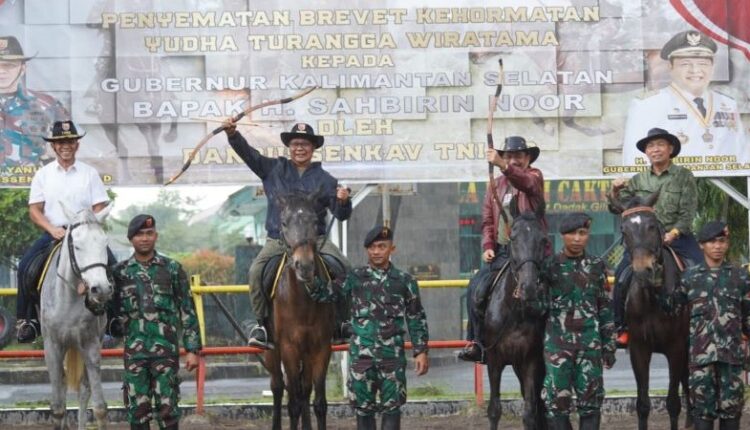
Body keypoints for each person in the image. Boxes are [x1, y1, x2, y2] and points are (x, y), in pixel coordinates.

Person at [223, 120, 352, 349]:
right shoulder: (272, 169)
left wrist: (343, 201)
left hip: (316, 241)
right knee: (255, 272)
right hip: (278, 240)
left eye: (305, 144)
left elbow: (341, 215)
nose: (299, 148)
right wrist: (233, 135)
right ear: (289, 147)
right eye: (295, 143)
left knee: (344, 267)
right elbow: (248, 154)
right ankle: (261, 325)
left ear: (313, 148)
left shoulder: (326, 180)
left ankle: (342, 322)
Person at [309, 225, 429, 430]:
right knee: (363, 411)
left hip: (392, 359)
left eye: (382, 246)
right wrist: (308, 272)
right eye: (372, 247)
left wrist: (421, 351)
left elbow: (416, 317)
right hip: (361, 361)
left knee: (392, 409)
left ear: (392, 249)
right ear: (366, 250)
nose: (376, 252)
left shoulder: (405, 282)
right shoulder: (354, 278)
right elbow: (324, 293)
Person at [15, 120, 110, 343]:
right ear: (54, 146)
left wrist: (91, 224)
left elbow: (99, 206)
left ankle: (114, 319)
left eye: (70, 141)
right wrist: (51, 228)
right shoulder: (43, 174)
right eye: (60, 142)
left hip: (84, 235)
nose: (65, 145)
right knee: (24, 267)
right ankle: (27, 321)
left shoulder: (90, 173)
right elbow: (35, 211)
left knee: (111, 265)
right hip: (55, 232)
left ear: (77, 144)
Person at [458, 136, 549, 363]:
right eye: (509, 156)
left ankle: (554, 341)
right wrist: (488, 246)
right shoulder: (494, 184)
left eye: (519, 156)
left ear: (528, 158)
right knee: (475, 289)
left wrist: (502, 165)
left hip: (531, 254)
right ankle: (477, 343)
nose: (514, 160)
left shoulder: (534, 177)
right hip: (503, 253)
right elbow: (488, 220)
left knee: (552, 291)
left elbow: (525, 183)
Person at [608, 127, 701, 346]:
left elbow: (688, 212)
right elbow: (617, 209)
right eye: (650, 146)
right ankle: (621, 327)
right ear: (646, 152)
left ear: (670, 149)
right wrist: (614, 192)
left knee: (700, 271)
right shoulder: (638, 180)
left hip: (677, 238)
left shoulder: (684, 176)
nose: (655, 149)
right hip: (643, 242)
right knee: (621, 277)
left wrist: (674, 233)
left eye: (660, 144)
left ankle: (701, 325)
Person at [112, 214, 202, 430]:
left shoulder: (172, 268)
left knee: (168, 411)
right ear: (130, 239)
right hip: (135, 355)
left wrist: (192, 349)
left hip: (166, 354)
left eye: (149, 234)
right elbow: (103, 309)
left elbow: (187, 310)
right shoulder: (118, 273)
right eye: (139, 234)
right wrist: (85, 292)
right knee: (137, 413)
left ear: (156, 236)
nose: (145, 238)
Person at [660, 221, 749, 430]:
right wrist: (658, 282)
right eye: (712, 242)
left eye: (722, 241)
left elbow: (747, 317)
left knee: (732, 413)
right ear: (701, 245)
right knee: (702, 414)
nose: (717, 246)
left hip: (732, 359)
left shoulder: (741, 277)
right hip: (701, 360)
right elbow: (671, 308)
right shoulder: (690, 277)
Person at [537, 213, 616, 430]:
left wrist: (609, 346)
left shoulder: (597, 266)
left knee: (591, 405)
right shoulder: (548, 267)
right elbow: (538, 308)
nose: (577, 238)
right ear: (562, 236)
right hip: (557, 349)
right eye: (572, 233)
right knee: (556, 405)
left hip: (590, 348)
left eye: (582, 233)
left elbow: (605, 307)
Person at [622, 30, 747, 167]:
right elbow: (635, 160)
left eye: (703, 63)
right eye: (685, 64)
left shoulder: (728, 104)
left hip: (724, 186)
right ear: (670, 66)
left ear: (713, 67)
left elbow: (742, 153)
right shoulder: (647, 105)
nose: (695, 70)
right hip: (672, 186)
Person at [0, 35, 68, 168]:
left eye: (9, 65)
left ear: (23, 68)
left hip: (32, 184)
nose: (1, 71)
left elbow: (70, 145)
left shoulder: (47, 105)